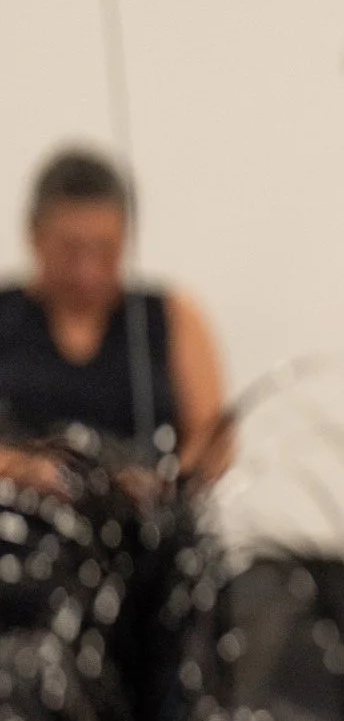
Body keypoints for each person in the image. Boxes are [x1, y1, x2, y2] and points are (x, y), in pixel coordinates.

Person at [0, 149, 227, 490]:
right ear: (34, 235)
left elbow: (214, 441)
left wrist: (162, 484)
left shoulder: (173, 317)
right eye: (70, 249)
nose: (87, 270)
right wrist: (21, 469)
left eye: (105, 250)